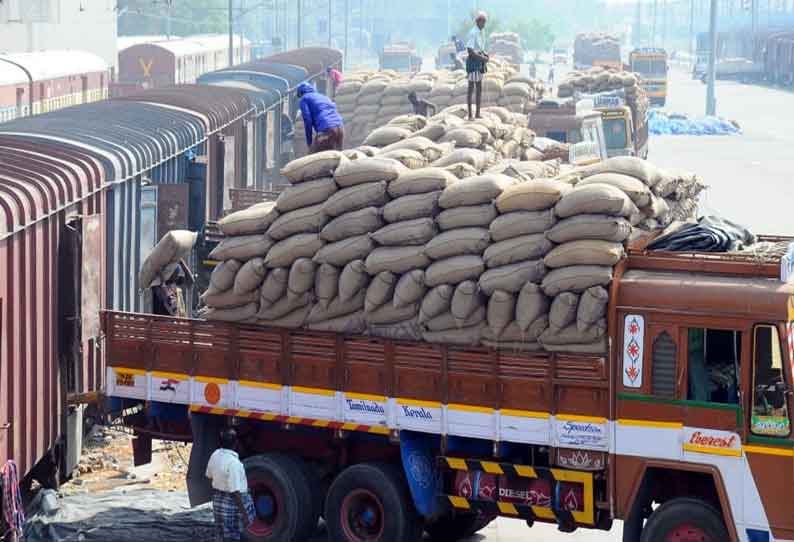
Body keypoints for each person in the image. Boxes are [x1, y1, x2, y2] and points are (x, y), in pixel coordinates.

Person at [206, 428, 254, 542]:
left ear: (220, 442)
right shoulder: (234, 464)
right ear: (236, 443)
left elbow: (209, 476)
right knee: (233, 535)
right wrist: (245, 514)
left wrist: (218, 490)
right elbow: (234, 492)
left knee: (221, 533)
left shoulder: (215, 454)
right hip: (232, 501)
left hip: (218, 498)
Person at [297, 81, 344, 153]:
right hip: (340, 129)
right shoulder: (324, 97)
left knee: (312, 156)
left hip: (327, 130)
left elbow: (307, 120)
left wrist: (309, 143)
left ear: (301, 93)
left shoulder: (304, 99)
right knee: (338, 156)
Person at [465, 12, 490, 120]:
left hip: (479, 61)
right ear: (478, 21)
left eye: (485, 22)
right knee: (471, 88)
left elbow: (480, 48)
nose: (483, 24)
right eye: (482, 22)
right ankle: (470, 114)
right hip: (473, 62)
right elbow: (470, 50)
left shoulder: (481, 32)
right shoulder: (473, 33)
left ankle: (477, 113)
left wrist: (485, 55)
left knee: (479, 88)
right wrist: (481, 58)